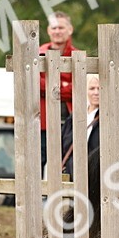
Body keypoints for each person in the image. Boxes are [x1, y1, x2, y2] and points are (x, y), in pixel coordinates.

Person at [39, 11, 77, 166]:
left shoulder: (77, 55)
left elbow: (80, 88)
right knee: (37, 163)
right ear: (48, 30)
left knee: (69, 164)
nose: (57, 31)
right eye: (54, 28)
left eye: (61, 27)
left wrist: (51, 87)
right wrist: (65, 86)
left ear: (70, 29)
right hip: (42, 123)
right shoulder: (37, 54)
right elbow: (36, 85)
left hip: (70, 124)